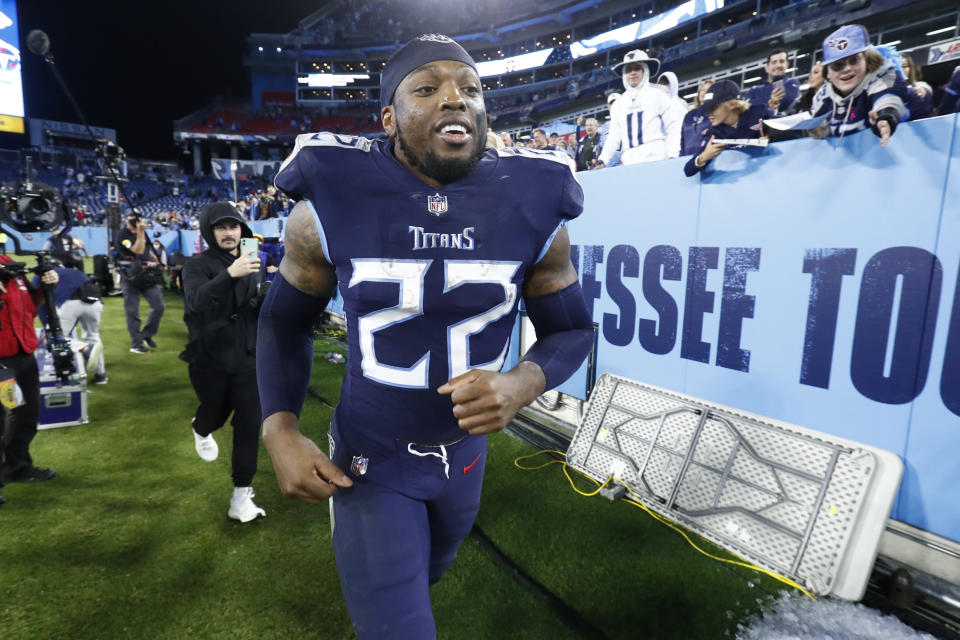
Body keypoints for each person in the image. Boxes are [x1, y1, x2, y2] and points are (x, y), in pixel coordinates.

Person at [259, 33, 593, 639]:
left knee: (426, 576)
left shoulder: (535, 200)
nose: (454, 100)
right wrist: (279, 428)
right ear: (388, 118)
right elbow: (284, 320)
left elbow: (571, 330)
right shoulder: (327, 202)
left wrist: (522, 383)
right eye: (427, 88)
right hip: (372, 457)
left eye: (470, 89)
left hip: (465, 459)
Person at [182, 202, 267, 523]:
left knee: (248, 423)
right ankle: (201, 427)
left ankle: (241, 497)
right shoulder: (197, 264)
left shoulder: (251, 261)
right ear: (209, 231)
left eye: (233, 226)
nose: (228, 232)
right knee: (214, 415)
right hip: (210, 358)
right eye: (220, 227)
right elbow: (195, 304)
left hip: (248, 356)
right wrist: (230, 275)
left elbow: (252, 304)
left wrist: (268, 289)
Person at [0, 257, 59, 504]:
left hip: (24, 354)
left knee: (26, 414)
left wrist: (48, 286)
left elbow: (30, 305)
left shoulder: (10, 265)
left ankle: (18, 467)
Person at [809, 24, 909, 147]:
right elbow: (821, 128)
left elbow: (888, 98)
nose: (847, 69)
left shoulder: (884, 75)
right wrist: (819, 131)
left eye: (853, 60)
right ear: (828, 73)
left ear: (867, 60)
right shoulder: (822, 98)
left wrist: (885, 117)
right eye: (837, 65)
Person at [596, 50, 685, 167]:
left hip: (657, 156)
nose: (632, 72)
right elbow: (614, 136)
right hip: (629, 160)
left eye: (636, 68)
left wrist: (673, 154)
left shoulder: (659, 95)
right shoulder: (619, 104)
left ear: (645, 70)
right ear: (624, 74)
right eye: (628, 69)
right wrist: (603, 160)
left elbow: (672, 126)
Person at [33, 265, 107, 385]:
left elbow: (41, 305)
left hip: (70, 302)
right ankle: (101, 375)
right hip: (95, 300)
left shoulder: (40, 276)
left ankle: (85, 348)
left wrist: (47, 328)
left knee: (53, 337)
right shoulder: (72, 271)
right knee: (93, 335)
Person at [684, 79, 772, 177]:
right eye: (706, 109)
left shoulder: (758, 114)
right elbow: (688, 170)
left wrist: (772, 137)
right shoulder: (715, 133)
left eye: (713, 108)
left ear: (732, 104)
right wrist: (704, 157)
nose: (708, 114)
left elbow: (786, 131)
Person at [117, 214, 165, 354]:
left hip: (146, 275)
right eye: (132, 218)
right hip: (130, 277)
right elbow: (137, 250)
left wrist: (157, 261)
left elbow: (147, 250)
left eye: (137, 218)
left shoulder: (143, 233)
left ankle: (146, 335)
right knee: (133, 311)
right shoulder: (123, 235)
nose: (134, 220)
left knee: (159, 306)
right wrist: (140, 232)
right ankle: (136, 344)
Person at [742, 48, 801, 115]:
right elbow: (744, 108)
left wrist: (756, 103)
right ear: (767, 68)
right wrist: (771, 101)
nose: (778, 65)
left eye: (781, 61)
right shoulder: (754, 90)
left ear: (787, 65)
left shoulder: (792, 83)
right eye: (774, 62)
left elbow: (784, 103)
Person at [681, 79, 713, 156]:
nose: (704, 92)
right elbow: (682, 140)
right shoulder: (689, 115)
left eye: (708, 90)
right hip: (686, 158)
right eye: (702, 90)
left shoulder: (715, 113)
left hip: (705, 156)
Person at [900, 52, 932, 120]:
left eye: (904, 66)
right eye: (897, 66)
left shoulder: (919, 85)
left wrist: (923, 92)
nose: (901, 69)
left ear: (910, 68)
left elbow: (926, 90)